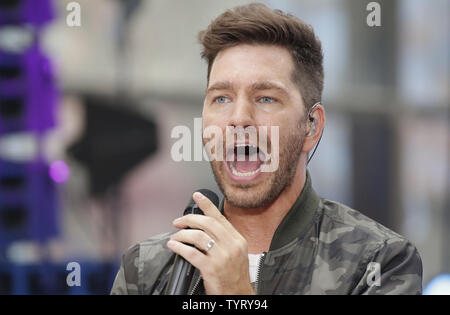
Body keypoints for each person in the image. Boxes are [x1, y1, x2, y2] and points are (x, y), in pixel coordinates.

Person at [110, 3, 422, 295]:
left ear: (311, 126)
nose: (239, 118)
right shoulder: (146, 269)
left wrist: (239, 295)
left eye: (265, 98)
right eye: (221, 98)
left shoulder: (379, 262)